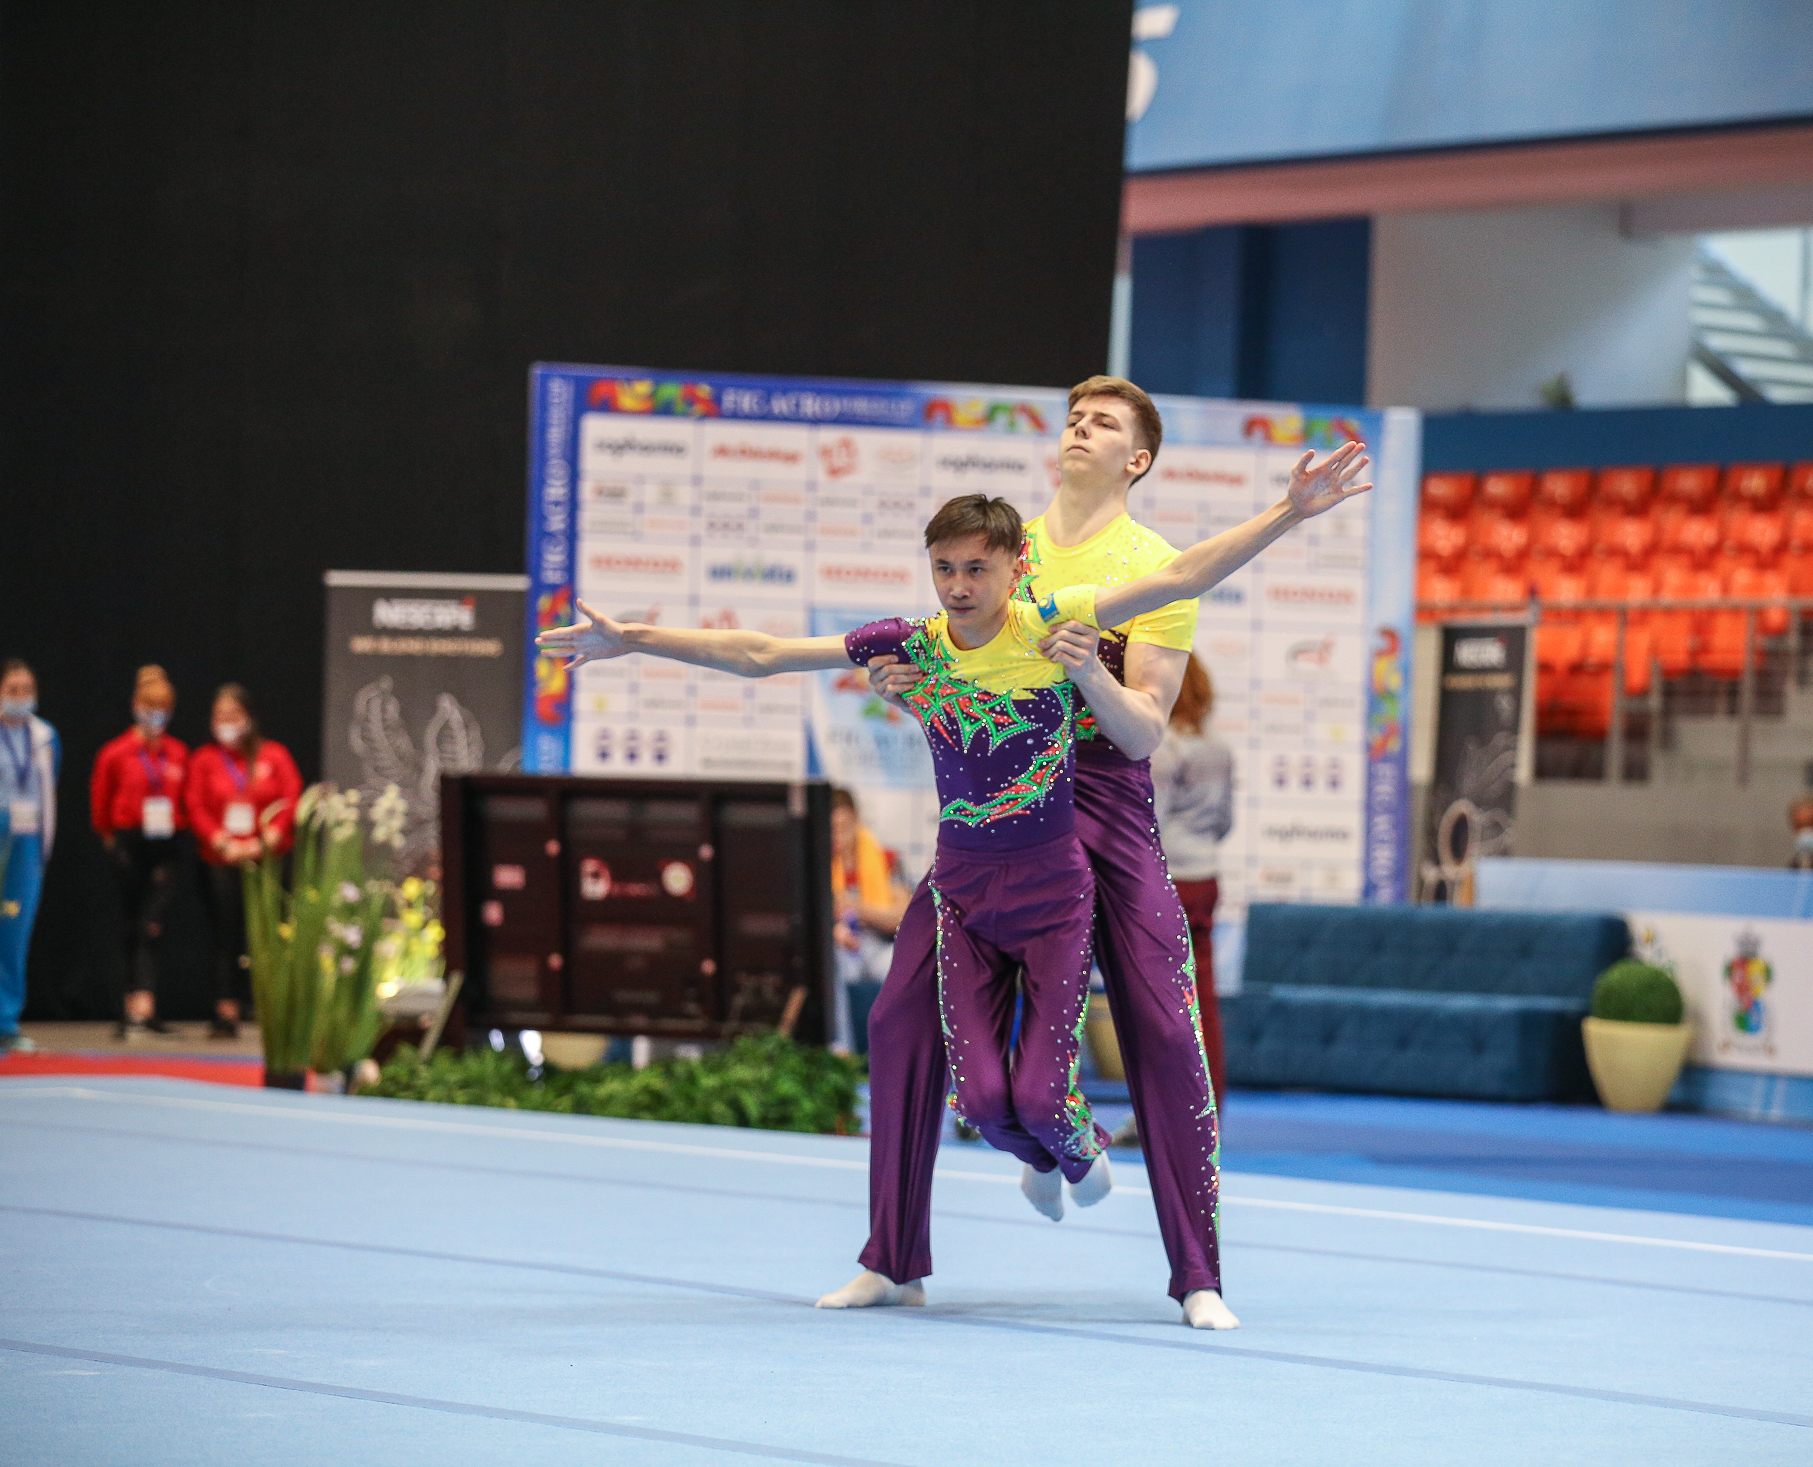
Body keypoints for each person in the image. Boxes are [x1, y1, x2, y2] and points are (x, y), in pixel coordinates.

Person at [544, 444, 1369, 1330]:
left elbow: (1182, 576)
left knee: (1061, 1082)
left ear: (1017, 568)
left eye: (978, 568)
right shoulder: (912, 646)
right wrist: (636, 638)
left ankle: (1146, 1222)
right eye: (945, 568)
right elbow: (761, 651)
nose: (960, 584)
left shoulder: (1053, 626)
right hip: (965, 892)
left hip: (1058, 890)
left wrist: (1288, 513)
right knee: (969, 1092)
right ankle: (929, 1235)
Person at [850, 379, 1368, 1331]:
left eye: (1104, 423)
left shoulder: (1153, 566)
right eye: (1073, 417)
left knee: (1166, 1031)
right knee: (896, 1015)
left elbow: (1142, 734)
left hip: (1105, 803)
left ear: (1138, 459)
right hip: (1003, 806)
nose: (1079, 428)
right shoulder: (1002, 548)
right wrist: (908, 687)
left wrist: (1287, 515)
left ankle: (1198, 1274)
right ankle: (893, 1258)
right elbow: (953, 666)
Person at [1122, 653, 1232, 1146]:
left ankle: (1158, 1117)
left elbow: (1148, 822)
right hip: (1205, 877)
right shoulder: (1218, 746)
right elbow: (1224, 820)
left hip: (1165, 880)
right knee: (1200, 1002)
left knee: (1154, 1007)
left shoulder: (1160, 747)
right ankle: (1205, 1115)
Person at [185, 685, 303, 1037]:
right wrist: (221, 841)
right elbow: (194, 804)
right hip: (222, 859)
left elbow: (291, 797)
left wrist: (266, 840)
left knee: (271, 933)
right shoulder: (205, 759)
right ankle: (226, 1009)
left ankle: (273, 1007)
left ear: (249, 717)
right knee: (225, 934)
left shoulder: (273, 755)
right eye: (219, 717)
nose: (226, 723)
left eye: (233, 716)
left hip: (267, 859)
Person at [89, 665, 191, 1038]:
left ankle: (146, 1002)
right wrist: (110, 838)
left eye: (162, 708)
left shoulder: (178, 753)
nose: (155, 715)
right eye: (149, 707)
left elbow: (187, 802)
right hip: (129, 842)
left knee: (153, 923)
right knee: (131, 924)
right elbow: (101, 803)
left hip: (167, 843)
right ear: (136, 706)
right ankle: (129, 1005)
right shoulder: (115, 753)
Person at [0, 660, 57, 1053]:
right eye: (13, 690)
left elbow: (48, 789)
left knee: (13, 929)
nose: (21, 697)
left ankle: (4, 1022)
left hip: (26, 838)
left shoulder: (45, 737)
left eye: (28, 689)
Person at [828, 786, 910, 1054]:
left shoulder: (886, 860)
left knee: (910, 962)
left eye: (844, 827)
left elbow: (902, 918)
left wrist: (856, 907)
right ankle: (841, 1052)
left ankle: (907, 1055)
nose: (838, 836)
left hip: (878, 946)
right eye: (831, 829)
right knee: (831, 963)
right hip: (840, 949)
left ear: (856, 820)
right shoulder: (816, 861)